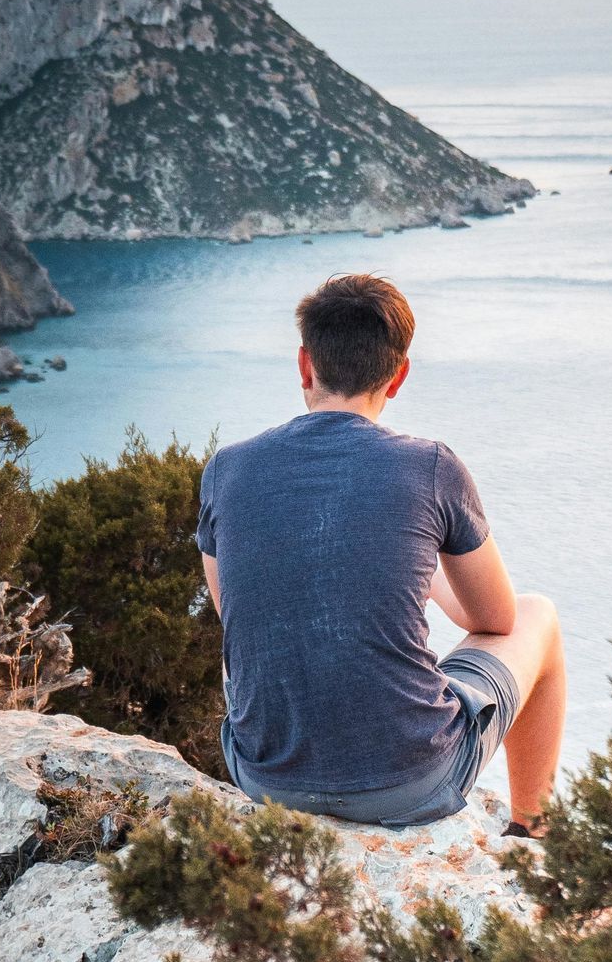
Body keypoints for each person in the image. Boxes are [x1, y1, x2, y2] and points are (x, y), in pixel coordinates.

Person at [197, 272, 566, 834]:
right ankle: (533, 832)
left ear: (304, 365)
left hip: (269, 779)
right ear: (398, 377)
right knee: (539, 614)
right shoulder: (432, 467)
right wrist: (427, 566)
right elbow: (497, 619)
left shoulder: (227, 469)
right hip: (411, 781)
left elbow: (239, 613)